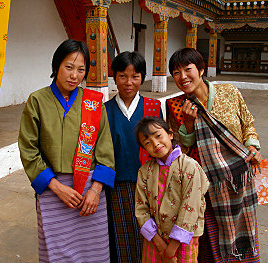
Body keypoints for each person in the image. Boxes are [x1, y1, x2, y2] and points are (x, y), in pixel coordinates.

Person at [18, 39, 115, 263]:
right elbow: (28, 149)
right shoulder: (37, 101)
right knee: (58, 250)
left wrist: (96, 190)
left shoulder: (93, 102)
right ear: (56, 67)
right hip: (53, 189)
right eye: (68, 67)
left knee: (94, 250)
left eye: (81, 69)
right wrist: (56, 187)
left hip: (90, 191)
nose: (74, 75)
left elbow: (105, 149)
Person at [166, 48, 262, 262]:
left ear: (200, 70)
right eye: (176, 72)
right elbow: (181, 149)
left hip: (238, 180)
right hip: (206, 185)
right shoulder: (175, 105)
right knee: (211, 240)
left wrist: (253, 148)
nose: (182, 77)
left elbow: (248, 124)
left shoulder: (229, 91)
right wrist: (188, 125)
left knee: (244, 231)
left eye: (187, 69)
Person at [105, 51, 162, 262]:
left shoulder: (153, 107)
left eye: (135, 76)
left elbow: (161, 147)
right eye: (122, 76)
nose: (129, 82)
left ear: (142, 78)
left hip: (150, 184)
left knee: (150, 234)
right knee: (122, 235)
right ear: (114, 77)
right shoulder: (105, 111)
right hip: (117, 184)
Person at [134, 116, 210, 263]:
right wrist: (160, 244)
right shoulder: (144, 172)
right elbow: (141, 209)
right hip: (155, 240)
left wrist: (171, 249)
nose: (155, 144)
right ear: (144, 149)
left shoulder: (189, 167)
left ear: (170, 134)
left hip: (184, 240)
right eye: (148, 142)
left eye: (158, 136)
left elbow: (191, 207)